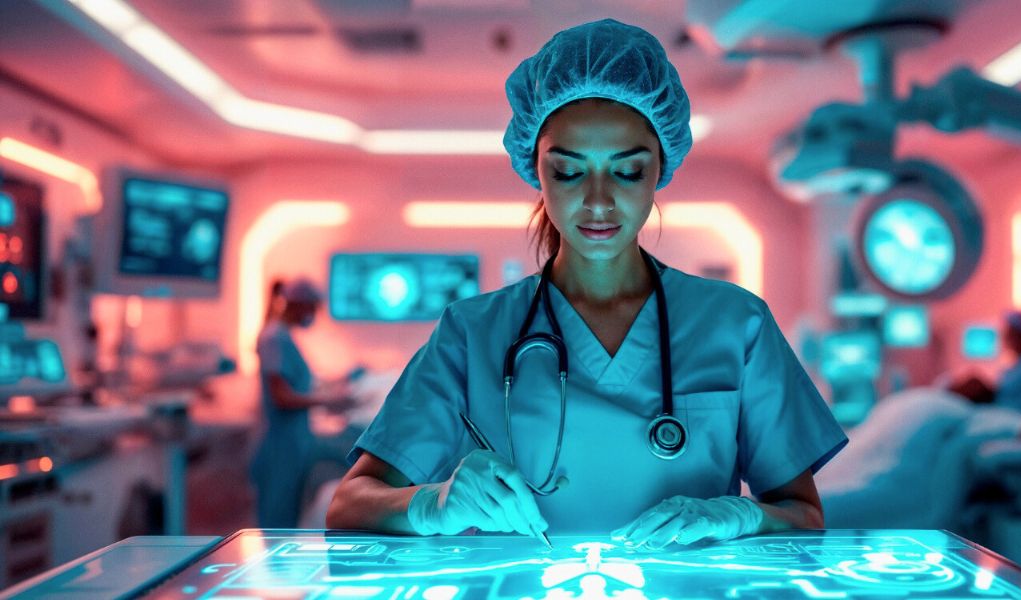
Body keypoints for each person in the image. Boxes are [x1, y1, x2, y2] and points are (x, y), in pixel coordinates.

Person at [327, 19, 846, 549]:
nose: (598, 202)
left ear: (661, 169)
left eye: (627, 172)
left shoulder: (737, 323)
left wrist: (739, 517)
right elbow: (349, 504)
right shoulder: (472, 333)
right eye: (569, 172)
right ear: (536, 171)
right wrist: (432, 504)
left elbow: (803, 514)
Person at [252, 277, 354, 528]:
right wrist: (327, 402)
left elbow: (295, 383)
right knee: (276, 527)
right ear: (299, 305)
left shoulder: (284, 337)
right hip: (280, 447)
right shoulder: (274, 338)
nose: (314, 315)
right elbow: (282, 397)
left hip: (294, 442)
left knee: (286, 520)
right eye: (312, 308)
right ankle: (274, 568)